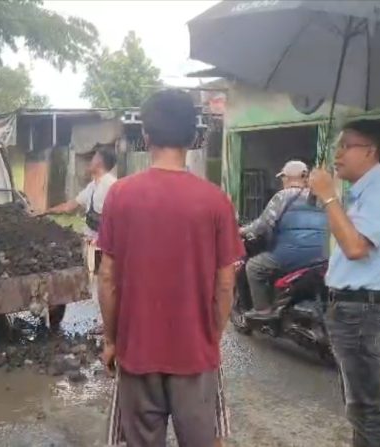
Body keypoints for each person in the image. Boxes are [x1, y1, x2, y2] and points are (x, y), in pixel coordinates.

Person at [98, 89, 242, 447]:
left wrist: (113, 339)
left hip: (137, 353)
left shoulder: (121, 195)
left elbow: (107, 278)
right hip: (195, 356)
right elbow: (226, 283)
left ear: (145, 136)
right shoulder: (216, 201)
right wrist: (212, 335)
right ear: (193, 139)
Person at [308, 120, 380, 447]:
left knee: (366, 406)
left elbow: (354, 247)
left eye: (346, 146)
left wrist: (327, 196)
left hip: (363, 311)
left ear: (370, 151)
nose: (337, 153)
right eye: (337, 146)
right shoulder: (360, 193)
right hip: (350, 306)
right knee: (357, 402)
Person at [39, 148, 117, 329]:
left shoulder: (111, 186)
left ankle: (107, 325)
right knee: (94, 280)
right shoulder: (92, 186)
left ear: (100, 162)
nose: (90, 162)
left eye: (94, 158)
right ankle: (103, 322)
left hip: (104, 243)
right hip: (91, 240)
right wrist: (46, 212)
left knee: (104, 281)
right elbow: (70, 206)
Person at [239, 159, 328, 319]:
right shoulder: (321, 197)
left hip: (291, 254)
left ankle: (262, 310)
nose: (282, 181)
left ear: (287, 178)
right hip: (321, 255)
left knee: (253, 267)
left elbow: (262, 226)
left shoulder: (282, 196)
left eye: (283, 178)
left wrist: (242, 231)